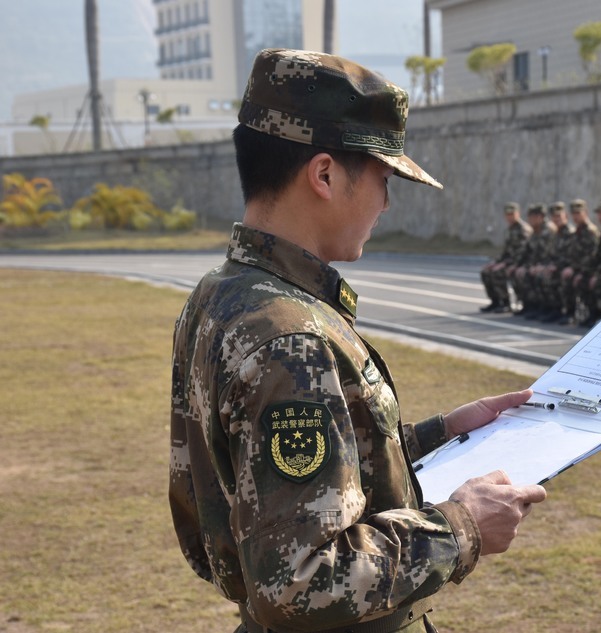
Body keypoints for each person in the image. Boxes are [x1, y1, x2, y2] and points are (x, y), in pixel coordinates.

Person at [168, 49, 546, 633]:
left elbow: (278, 489)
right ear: (323, 175)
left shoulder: (221, 295)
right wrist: (462, 526)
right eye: (382, 179)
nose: (386, 203)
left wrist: (438, 436)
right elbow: (299, 580)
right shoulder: (289, 337)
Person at [480, 202, 531, 313]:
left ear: (518, 214)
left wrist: (506, 264)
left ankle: (506, 302)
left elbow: (522, 253)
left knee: (498, 272)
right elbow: (506, 251)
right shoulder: (509, 230)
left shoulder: (523, 229)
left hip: (520, 262)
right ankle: (496, 301)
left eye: (512, 214)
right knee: (486, 271)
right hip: (510, 261)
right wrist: (496, 262)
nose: (510, 217)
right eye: (508, 215)